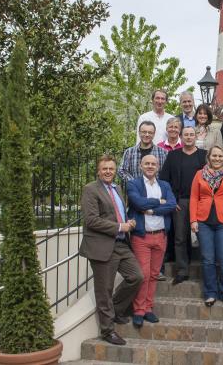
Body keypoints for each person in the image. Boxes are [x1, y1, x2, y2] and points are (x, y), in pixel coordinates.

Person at [79, 155, 143, 345]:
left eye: (111, 169)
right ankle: (107, 331)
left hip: (121, 244)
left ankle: (115, 310)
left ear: (115, 170)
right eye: (104, 168)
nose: (108, 171)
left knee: (136, 276)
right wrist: (118, 227)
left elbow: (116, 214)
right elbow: (91, 220)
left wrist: (127, 224)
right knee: (104, 290)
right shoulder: (90, 189)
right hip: (102, 246)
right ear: (98, 171)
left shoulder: (116, 188)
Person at [126, 155, 177, 328]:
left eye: (153, 164)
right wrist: (158, 202)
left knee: (154, 274)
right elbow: (138, 203)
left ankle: (148, 308)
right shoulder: (134, 184)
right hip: (142, 236)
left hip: (161, 235)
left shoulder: (165, 185)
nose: (150, 166)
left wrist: (152, 210)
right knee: (144, 274)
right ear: (141, 166)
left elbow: (171, 205)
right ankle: (139, 310)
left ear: (158, 167)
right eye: (147, 163)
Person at [190, 146, 223, 306]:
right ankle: (210, 293)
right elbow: (193, 197)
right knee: (207, 259)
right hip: (204, 221)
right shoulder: (200, 174)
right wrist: (193, 220)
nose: (217, 158)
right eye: (214, 155)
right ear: (209, 157)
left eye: (220, 156)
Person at [159, 126, 207, 285]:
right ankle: (182, 270)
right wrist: (171, 200)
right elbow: (164, 180)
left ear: (196, 136)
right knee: (180, 237)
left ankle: (206, 269)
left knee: (203, 235)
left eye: (191, 134)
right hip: (180, 202)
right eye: (185, 135)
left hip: (202, 202)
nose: (188, 137)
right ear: (181, 136)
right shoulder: (173, 156)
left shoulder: (203, 155)